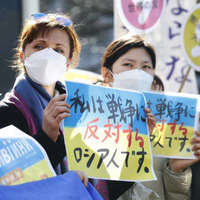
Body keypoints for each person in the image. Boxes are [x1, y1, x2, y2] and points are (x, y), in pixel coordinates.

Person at [100, 33, 200, 200]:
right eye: (128, 64)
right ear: (107, 74)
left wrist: (176, 170)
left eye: (146, 67)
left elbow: (177, 197)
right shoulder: (89, 123)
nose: (138, 72)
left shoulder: (168, 126)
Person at [0, 12, 89, 187]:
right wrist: (47, 137)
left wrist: (138, 143)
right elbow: (11, 181)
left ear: (68, 62)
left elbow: (103, 185)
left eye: (58, 50)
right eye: (39, 47)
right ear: (22, 55)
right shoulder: (6, 113)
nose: (48, 55)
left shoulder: (79, 113)